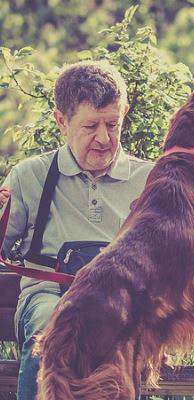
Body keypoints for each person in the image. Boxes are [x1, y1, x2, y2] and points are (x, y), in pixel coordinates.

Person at [0, 61, 153, 400]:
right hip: (49, 293)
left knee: (121, 329)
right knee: (48, 323)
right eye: (90, 126)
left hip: (118, 300)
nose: (104, 138)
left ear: (125, 112)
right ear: (61, 121)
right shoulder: (29, 176)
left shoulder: (149, 180)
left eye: (113, 124)